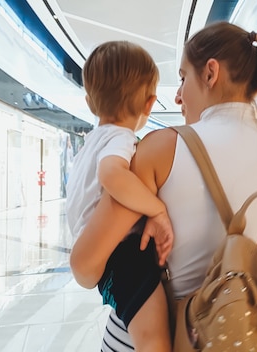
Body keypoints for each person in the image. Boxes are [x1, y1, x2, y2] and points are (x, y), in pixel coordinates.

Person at [70, 22, 257, 351]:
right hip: (236, 335)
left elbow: (84, 267)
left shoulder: (161, 148)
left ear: (211, 73)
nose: (178, 95)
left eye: (183, 78)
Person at [65, 41, 174, 352]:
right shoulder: (121, 137)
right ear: (150, 103)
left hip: (105, 257)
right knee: (153, 338)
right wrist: (157, 209)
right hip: (123, 255)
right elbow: (112, 175)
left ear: (89, 101)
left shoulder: (90, 144)